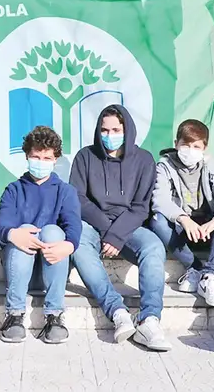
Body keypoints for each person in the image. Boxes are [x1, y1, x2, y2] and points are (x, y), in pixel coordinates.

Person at [69, 104, 170, 351]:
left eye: (115, 129)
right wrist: (107, 231)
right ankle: (117, 312)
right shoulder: (85, 157)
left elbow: (140, 207)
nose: (109, 135)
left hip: (129, 226)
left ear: (127, 130)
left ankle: (149, 320)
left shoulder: (144, 159)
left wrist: (117, 235)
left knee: (154, 247)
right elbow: (78, 199)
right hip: (94, 224)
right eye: (104, 130)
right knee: (78, 242)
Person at [0, 126, 81, 344]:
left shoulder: (65, 191)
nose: (40, 161)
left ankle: (54, 315)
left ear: (55, 159)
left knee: (53, 231)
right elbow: (3, 221)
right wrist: (14, 233)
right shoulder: (14, 189)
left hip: (51, 267)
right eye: (36, 156)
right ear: (27, 156)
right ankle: (14, 315)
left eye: (46, 157)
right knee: (22, 228)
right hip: (19, 268)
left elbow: (73, 224)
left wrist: (68, 245)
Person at [149, 119, 214, 307]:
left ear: (204, 148)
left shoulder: (211, 165)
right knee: (157, 220)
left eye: (196, 146)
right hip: (182, 230)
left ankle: (210, 275)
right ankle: (195, 267)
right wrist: (183, 219)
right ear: (176, 144)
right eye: (185, 145)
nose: (190, 150)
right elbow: (159, 199)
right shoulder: (164, 166)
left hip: (208, 229)